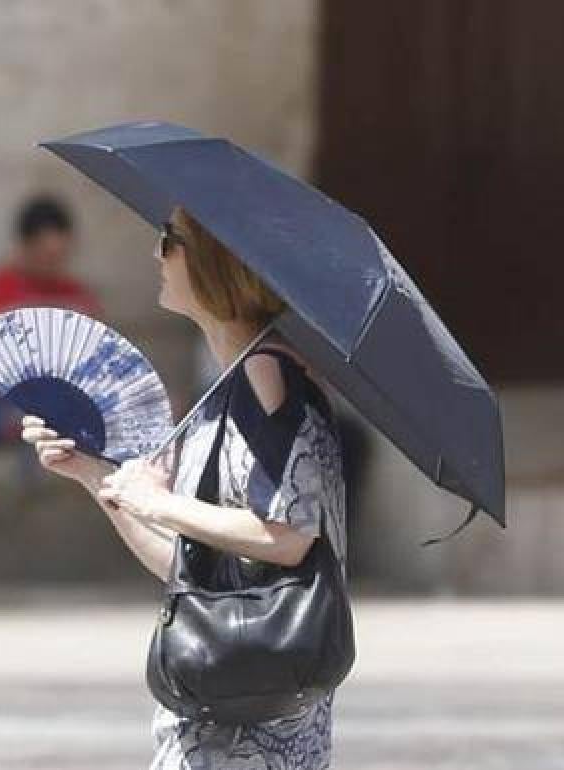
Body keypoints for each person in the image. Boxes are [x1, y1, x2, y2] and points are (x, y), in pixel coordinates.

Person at [21, 207, 347, 769]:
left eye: (169, 241)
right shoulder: (231, 381)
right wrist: (96, 476)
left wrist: (163, 502)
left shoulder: (267, 376)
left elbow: (290, 537)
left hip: (254, 733)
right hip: (214, 723)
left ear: (219, 260)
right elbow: (191, 570)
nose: (156, 254)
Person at [0, 195, 101, 325]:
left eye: (60, 255)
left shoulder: (79, 299)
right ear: (25, 246)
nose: (53, 264)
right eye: (46, 255)